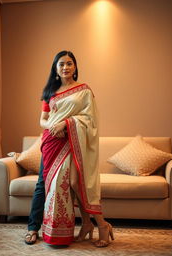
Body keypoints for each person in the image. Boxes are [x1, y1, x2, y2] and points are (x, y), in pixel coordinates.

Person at [25, 50, 114, 247]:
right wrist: (53, 126)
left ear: (75, 67)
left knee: (76, 182)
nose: (65, 67)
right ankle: (35, 228)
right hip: (51, 141)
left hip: (73, 141)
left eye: (69, 63)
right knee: (43, 184)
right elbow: (43, 120)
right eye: (61, 64)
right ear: (56, 69)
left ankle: (100, 225)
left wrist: (66, 124)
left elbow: (90, 119)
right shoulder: (49, 92)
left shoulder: (83, 90)